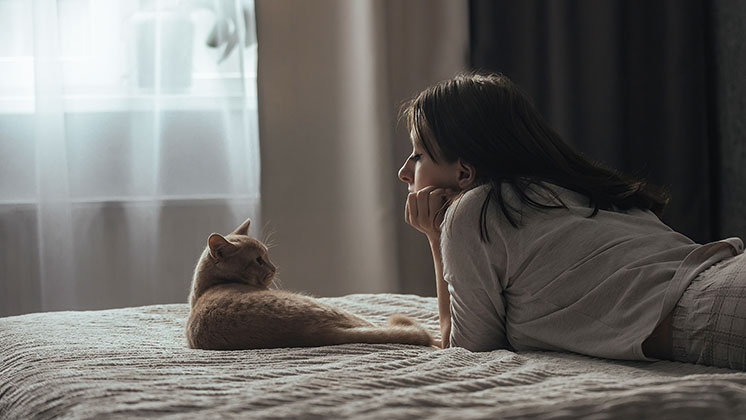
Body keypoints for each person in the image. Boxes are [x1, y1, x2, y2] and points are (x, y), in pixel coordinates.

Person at [397, 72, 746, 370]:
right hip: (724, 279)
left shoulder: (473, 211)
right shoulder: (571, 189)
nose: (403, 173)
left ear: (463, 171)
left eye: (418, 155)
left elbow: (468, 351)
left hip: (713, 313)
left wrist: (436, 237)